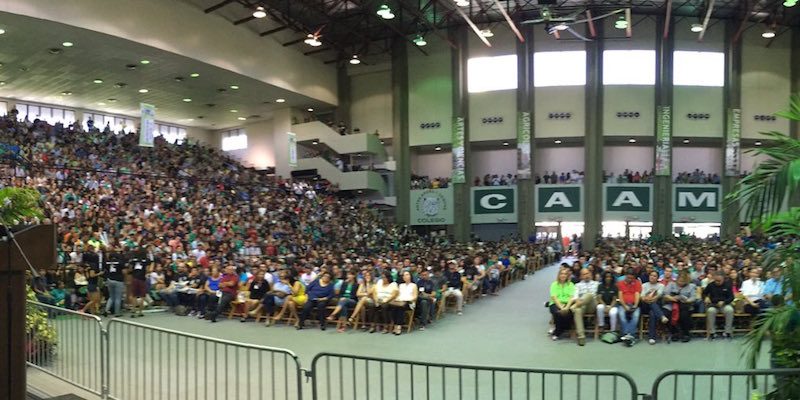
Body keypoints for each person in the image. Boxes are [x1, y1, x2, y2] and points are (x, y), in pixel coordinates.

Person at [663, 271, 698, 342]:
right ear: (677, 279)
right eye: (680, 281)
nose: (681, 283)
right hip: (672, 304)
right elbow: (665, 295)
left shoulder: (691, 286)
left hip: (685, 304)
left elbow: (693, 297)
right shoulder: (671, 284)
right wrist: (671, 298)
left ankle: (686, 333)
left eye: (683, 281)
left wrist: (687, 300)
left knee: (684, 315)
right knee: (666, 313)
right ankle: (674, 333)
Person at [570, 268, 599, 346]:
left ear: (590, 274)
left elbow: (599, 297)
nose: (586, 276)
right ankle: (581, 337)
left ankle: (573, 307)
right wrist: (578, 302)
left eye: (587, 273)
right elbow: (575, 297)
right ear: (581, 276)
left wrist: (577, 303)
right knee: (577, 311)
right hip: (582, 305)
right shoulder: (577, 285)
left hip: (592, 305)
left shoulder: (597, 284)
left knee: (589, 295)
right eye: (584, 274)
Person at [703, 270, 734, 339]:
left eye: (719, 281)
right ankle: (712, 332)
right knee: (710, 311)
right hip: (713, 305)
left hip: (724, 304)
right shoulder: (710, 285)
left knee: (730, 310)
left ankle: (727, 332)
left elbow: (731, 297)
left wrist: (724, 302)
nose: (717, 282)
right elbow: (704, 293)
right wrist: (706, 297)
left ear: (723, 279)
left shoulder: (728, 285)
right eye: (716, 280)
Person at [640, 271, 668, 345]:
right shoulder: (644, 285)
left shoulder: (661, 286)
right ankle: (662, 316)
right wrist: (648, 299)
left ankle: (652, 338)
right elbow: (642, 297)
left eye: (654, 276)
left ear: (658, 278)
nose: (652, 277)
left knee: (652, 313)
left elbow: (657, 296)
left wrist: (649, 298)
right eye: (651, 275)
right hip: (645, 306)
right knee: (652, 304)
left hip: (656, 306)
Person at [549, 268, 575, 341]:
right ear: (559, 275)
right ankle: (557, 333)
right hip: (555, 303)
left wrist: (566, 307)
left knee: (569, 313)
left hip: (567, 304)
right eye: (561, 274)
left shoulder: (571, 284)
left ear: (567, 276)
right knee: (558, 312)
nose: (563, 275)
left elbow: (571, 297)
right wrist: (561, 307)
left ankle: (561, 329)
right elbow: (554, 297)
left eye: (565, 274)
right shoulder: (554, 284)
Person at [617, 268, 642, 343]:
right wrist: (625, 306)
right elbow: (620, 297)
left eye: (632, 278)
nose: (630, 279)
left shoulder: (637, 283)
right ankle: (627, 334)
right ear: (625, 276)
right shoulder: (620, 283)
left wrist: (635, 305)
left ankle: (629, 335)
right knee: (622, 315)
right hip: (623, 304)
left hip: (634, 304)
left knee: (636, 316)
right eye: (628, 277)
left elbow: (637, 294)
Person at [391, 270, 418, 335]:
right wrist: (397, 299)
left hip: (409, 302)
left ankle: (399, 326)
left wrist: (407, 300)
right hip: (400, 301)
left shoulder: (414, 285)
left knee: (401, 306)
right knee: (393, 306)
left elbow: (415, 297)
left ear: (410, 276)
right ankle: (395, 325)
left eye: (407, 274)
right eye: (404, 275)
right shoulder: (401, 285)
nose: (405, 276)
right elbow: (398, 295)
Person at [104, 245, 126, 317]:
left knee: (111, 297)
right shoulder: (120, 262)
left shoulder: (107, 262)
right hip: (118, 280)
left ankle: (106, 310)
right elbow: (123, 271)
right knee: (118, 297)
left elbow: (105, 270)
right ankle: (117, 312)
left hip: (110, 279)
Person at [128, 248, 151, 318]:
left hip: (134, 278)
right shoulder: (146, 260)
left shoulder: (134, 259)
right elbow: (147, 270)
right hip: (142, 279)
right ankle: (140, 312)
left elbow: (130, 269)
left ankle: (133, 310)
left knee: (134, 295)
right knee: (142, 296)